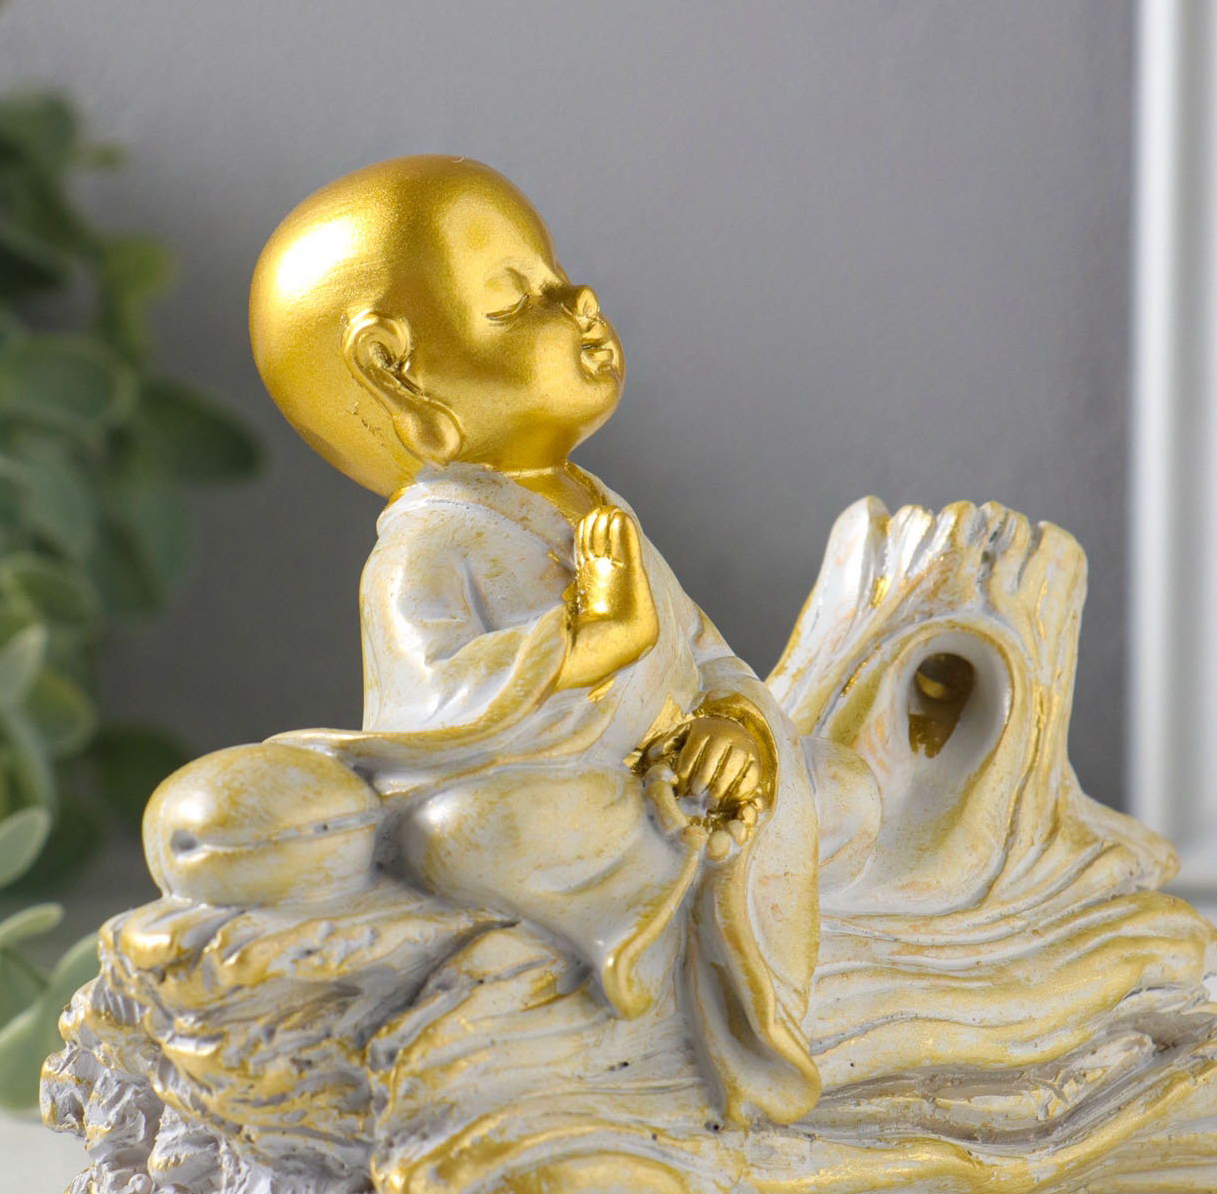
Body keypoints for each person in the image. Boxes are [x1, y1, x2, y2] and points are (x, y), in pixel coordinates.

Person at [248, 155, 834, 1124]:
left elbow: (705, 655)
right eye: (517, 300)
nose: (580, 302)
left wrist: (736, 726)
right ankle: (648, 924)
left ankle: (700, 876)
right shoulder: (425, 549)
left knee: (816, 779)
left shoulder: (599, 508)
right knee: (453, 835)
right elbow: (431, 705)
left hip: (665, 785)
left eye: (557, 275)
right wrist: (589, 642)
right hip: (566, 806)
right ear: (397, 370)